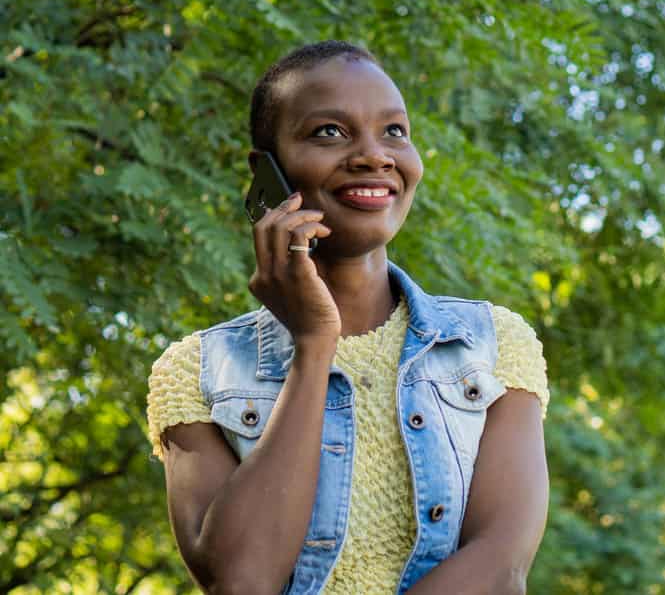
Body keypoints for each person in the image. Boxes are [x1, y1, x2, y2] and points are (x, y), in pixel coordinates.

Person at [145, 40, 550, 595]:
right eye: (329, 132)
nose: (374, 156)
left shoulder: (492, 344)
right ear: (267, 173)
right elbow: (241, 579)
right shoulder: (197, 370)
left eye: (394, 131)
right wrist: (313, 347)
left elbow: (501, 565)